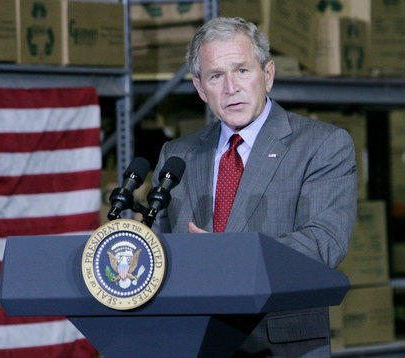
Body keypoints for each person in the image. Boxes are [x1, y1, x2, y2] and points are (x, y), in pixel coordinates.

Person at [151, 17, 358, 356]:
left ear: (268, 75)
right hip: (193, 341)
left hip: (278, 343)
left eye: (242, 71)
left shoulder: (324, 145)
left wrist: (229, 257)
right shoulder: (177, 154)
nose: (231, 87)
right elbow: (158, 243)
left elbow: (325, 244)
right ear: (201, 89)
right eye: (216, 76)